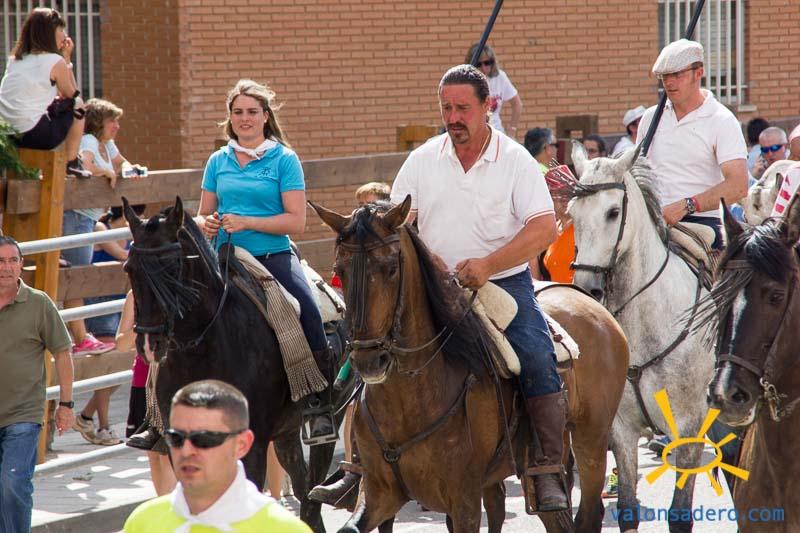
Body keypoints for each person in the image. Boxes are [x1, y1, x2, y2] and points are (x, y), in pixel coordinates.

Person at [391, 64, 567, 511]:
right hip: (433, 288)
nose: (453, 118)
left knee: (534, 352)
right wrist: (429, 262)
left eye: (462, 108)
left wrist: (488, 264)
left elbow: (544, 228)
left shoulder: (516, 160)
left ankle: (547, 466)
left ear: (488, 107)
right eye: (446, 108)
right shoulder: (421, 160)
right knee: (374, 348)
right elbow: (398, 225)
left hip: (502, 283)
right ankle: (361, 467)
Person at [197, 79, 336, 445]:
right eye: (237, 112)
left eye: (252, 112)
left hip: (272, 256)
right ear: (230, 117)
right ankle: (155, 411)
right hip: (224, 258)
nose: (244, 118)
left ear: (265, 117)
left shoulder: (284, 159)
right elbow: (203, 213)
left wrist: (247, 222)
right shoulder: (218, 160)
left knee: (307, 309)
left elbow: (296, 222)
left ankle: (318, 406)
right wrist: (206, 223)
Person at [123, 380, 311, 532]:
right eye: (175, 438)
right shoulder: (141, 522)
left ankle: (320, 402)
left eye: (203, 439)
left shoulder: (286, 529)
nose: (186, 451)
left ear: (242, 444)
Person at [636, 39, 748, 248]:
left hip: (703, 221)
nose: (669, 83)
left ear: (699, 73)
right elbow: (638, 173)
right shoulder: (650, 118)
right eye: (664, 76)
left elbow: (738, 186)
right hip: (652, 222)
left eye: (677, 74)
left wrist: (688, 205)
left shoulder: (721, 120)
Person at [0, 235, 74, 533]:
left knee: (12, 482)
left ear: (21, 264)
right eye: (0, 261)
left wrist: (66, 405)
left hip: (23, 414)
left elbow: (63, 353)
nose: (6, 267)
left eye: (12, 260)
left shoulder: (39, 303)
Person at [73, 205, 145, 446]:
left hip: (118, 302)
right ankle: (103, 426)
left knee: (119, 367)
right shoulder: (100, 228)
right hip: (99, 300)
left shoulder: (127, 236)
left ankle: (85, 416)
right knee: (106, 368)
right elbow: (125, 256)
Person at [0, 7, 89, 177]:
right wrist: (67, 59)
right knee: (79, 105)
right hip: (34, 135)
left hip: (7, 135)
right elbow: (73, 95)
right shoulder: (54, 61)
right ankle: (71, 163)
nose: (65, 36)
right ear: (49, 33)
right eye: (61, 30)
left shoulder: (15, 60)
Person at [116, 290, 177, 495]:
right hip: (144, 381)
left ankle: (171, 509)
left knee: (167, 454)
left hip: (173, 379)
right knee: (153, 454)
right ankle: (162, 507)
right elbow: (121, 344)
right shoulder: (135, 294)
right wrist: (143, 323)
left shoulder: (177, 289)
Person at [465, 43, 522, 138]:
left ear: (493, 62)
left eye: (487, 63)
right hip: (473, 135)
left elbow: (517, 104)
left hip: (497, 133)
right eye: (479, 64)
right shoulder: (465, 81)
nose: (483, 68)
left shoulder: (500, 77)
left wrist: (512, 131)